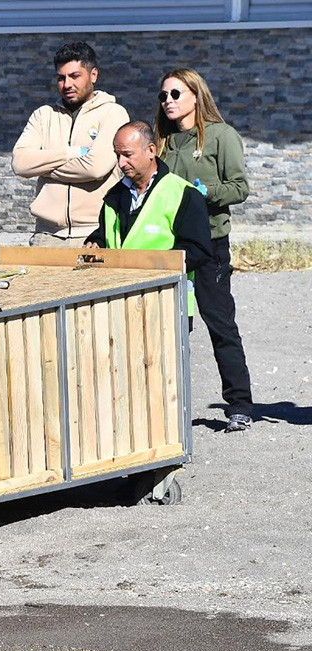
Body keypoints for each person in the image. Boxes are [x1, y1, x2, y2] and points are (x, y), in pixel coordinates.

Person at [155, 68, 254, 433]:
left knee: (220, 323)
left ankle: (240, 405)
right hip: (170, 247)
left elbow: (239, 187)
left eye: (176, 94)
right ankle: (166, 409)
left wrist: (204, 193)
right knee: (172, 328)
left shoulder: (221, 136)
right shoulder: (161, 142)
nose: (168, 101)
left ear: (196, 96)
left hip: (210, 245)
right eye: (163, 95)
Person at [85, 121, 211, 312]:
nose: (120, 163)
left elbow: (198, 250)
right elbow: (107, 234)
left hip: (167, 303)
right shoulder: (114, 195)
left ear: (151, 150)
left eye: (127, 155)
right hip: (119, 300)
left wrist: (152, 267)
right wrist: (95, 242)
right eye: (117, 155)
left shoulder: (183, 193)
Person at [12, 41, 129, 246]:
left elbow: (95, 168)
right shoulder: (43, 115)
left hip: (94, 234)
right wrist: (71, 153)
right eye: (61, 78)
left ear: (93, 75)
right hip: (46, 236)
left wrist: (43, 167)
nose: (67, 85)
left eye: (75, 76)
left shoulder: (113, 113)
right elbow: (20, 164)